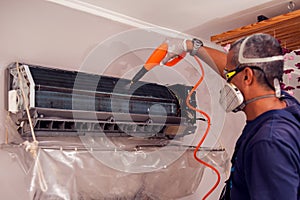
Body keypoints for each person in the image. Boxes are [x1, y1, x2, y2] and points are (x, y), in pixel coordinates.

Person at [163, 33, 300, 200]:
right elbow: (234, 69)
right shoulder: (286, 104)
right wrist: (191, 47)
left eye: (228, 77)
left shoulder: (268, 142)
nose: (227, 82)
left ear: (247, 77)